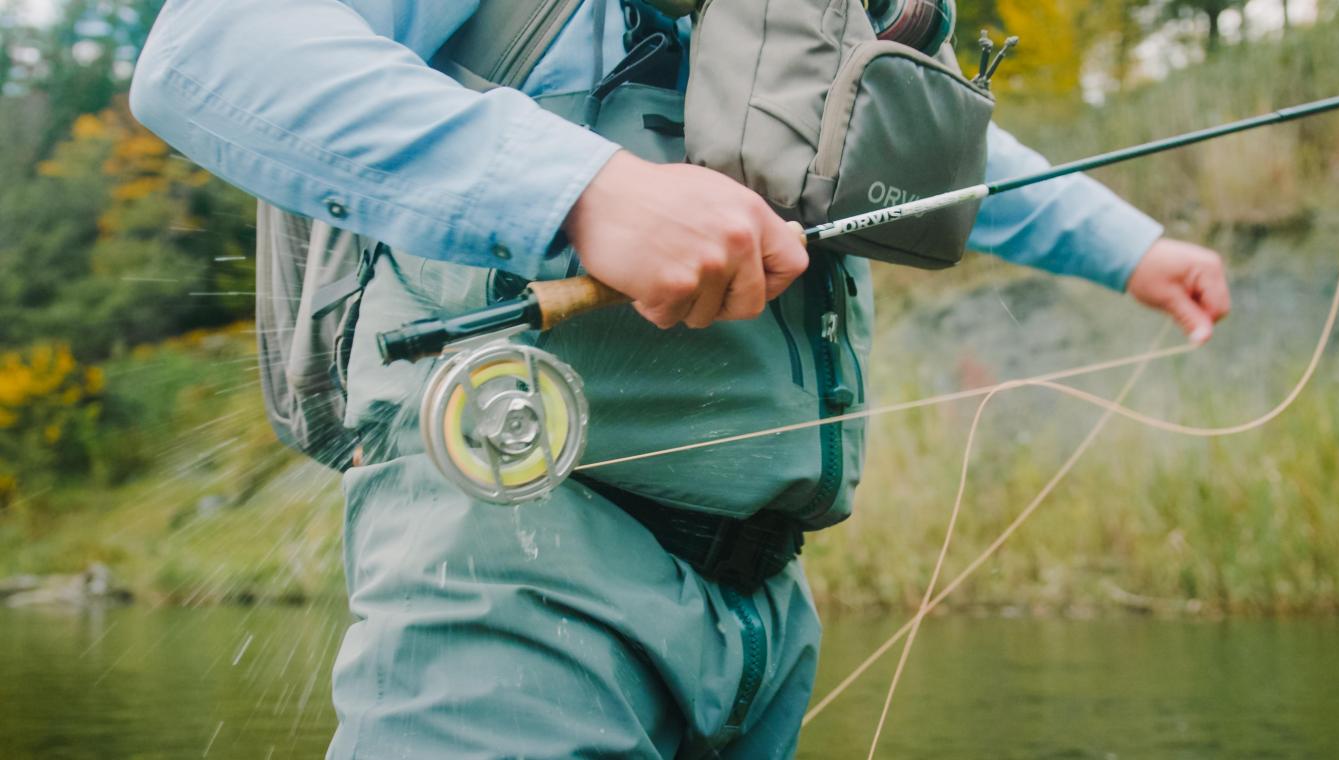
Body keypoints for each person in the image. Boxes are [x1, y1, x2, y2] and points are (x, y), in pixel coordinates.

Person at [130, 1, 1230, 757]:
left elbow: (932, 149)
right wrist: (584, 192)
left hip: (766, 611)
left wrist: (1132, 249)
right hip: (515, 567)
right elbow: (213, 49)